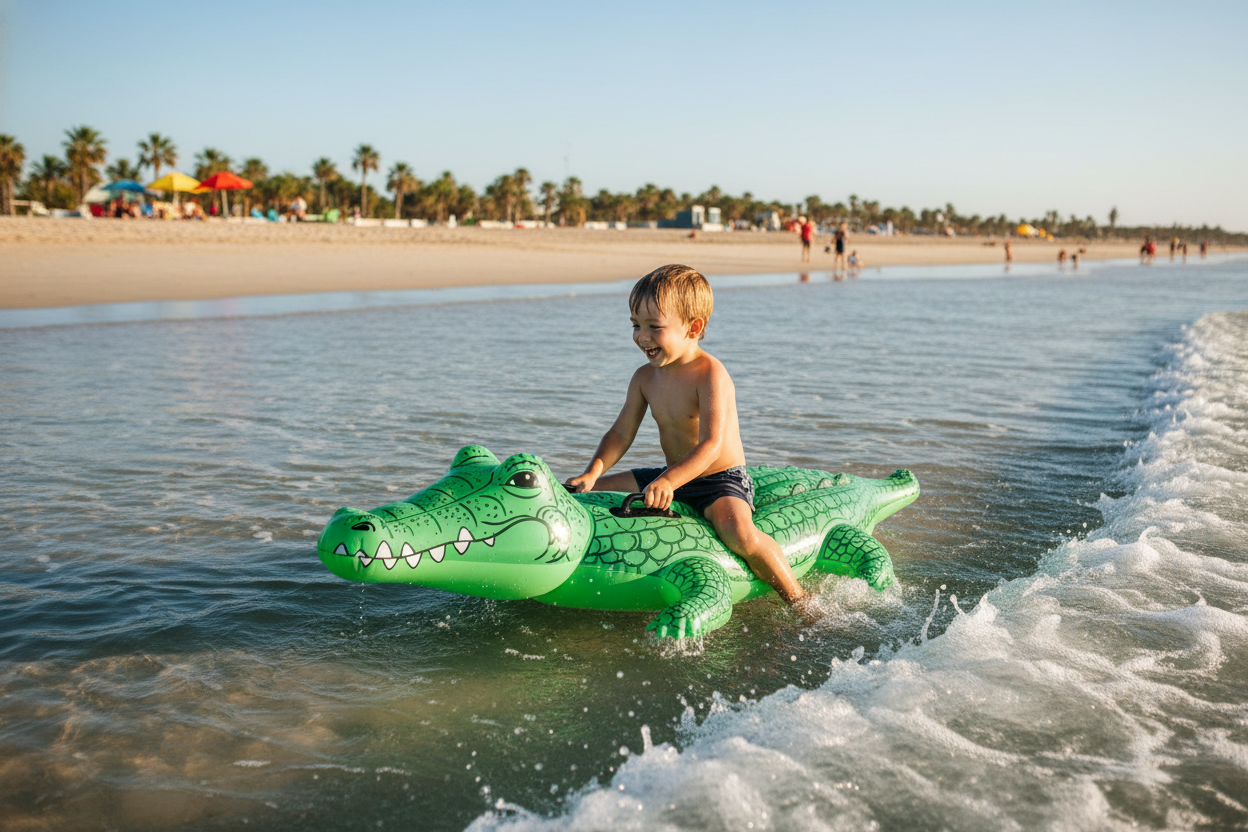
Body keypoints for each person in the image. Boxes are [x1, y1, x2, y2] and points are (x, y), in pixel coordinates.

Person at [566, 264, 815, 618]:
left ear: (693, 328)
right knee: (585, 495)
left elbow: (712, 444)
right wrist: (592, 473)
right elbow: (620, 433)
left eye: (654, 327)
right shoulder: (643, 378)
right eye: (635, 325)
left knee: (740, 534)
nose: (642, 337)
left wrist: (669, 481)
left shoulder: (710, 374)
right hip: (672, 475)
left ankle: (800, 602)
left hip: (719, 479)